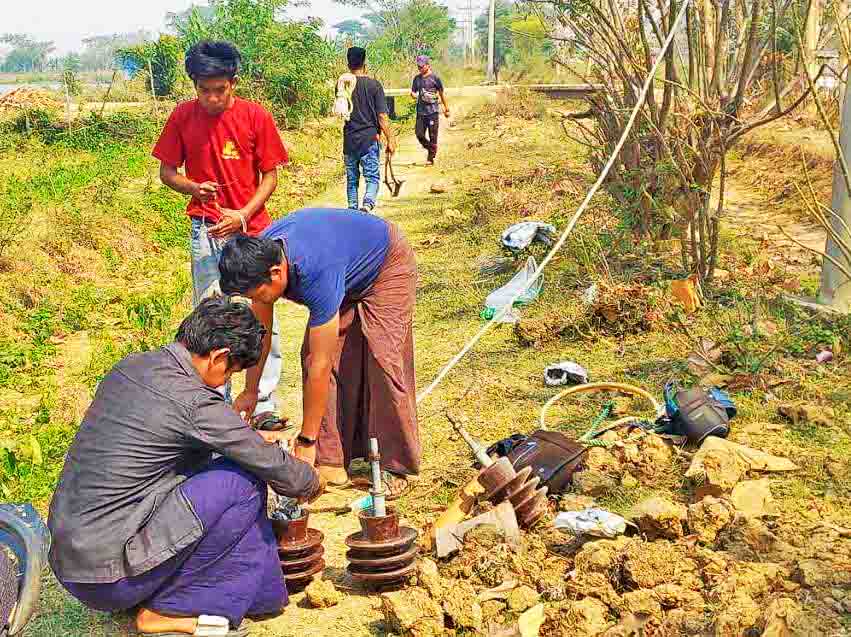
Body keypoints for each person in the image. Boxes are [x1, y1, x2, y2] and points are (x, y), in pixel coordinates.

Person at [48, 297, 321, 637]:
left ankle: (248, 592)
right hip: (109, 580)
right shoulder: (193, 399)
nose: (223, 383)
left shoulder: (130, 367)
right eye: (230, 372)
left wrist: (244, 439)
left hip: (73, 564)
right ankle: (172, 607)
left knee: (223, 469)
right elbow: (278, 470)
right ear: (219, 356)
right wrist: (312, 480)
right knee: (241, 484)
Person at [218, 208, 420, 497]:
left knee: (383, 358)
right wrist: (250, 391)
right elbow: (261, 337)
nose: (257, 301)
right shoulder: (259, 260)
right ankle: (331, 460)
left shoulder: (313, 270)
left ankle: (395, 465)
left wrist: (306, 440)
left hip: (385, 262)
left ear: (276, 273)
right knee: (319, 356)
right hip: (343, 266)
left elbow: (320, 365)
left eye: (257, 295)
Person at [153, 40, 288, 429]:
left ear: (234, 83)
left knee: (261, 312)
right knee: (212, 312)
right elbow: (167, 173)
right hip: (206, 230)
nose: (212, 98)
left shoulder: (255, 117)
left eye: (220, 90)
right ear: (194, 85)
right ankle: (218, 402)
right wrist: (193, 188)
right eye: (204, 90)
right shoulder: (182, 117)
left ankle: (262, 402)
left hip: (252, 232)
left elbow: (270, 176)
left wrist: (242, 215)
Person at [340, 46, 397, 213]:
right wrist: (391, 139)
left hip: (349, 140)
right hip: (369, 140)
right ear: (364, 64)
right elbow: (382, 116)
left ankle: (352, 210)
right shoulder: (374, 86)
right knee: (372, 177)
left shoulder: (343, 86)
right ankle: (367, 205)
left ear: (348, 64)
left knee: (352, 180)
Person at [410, 55, 450, 166]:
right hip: (421, 112)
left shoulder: (435, 78)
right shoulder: (417, 79)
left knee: (433, 136)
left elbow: (441, 94)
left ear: (428, 65)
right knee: (419, 134)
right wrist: (414, 95)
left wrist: (446, 108)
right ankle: (432, 148)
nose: (420, 68)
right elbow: (413, 92)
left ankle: (430, 158)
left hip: (432, 112)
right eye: (418, 66)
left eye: (421, 66)